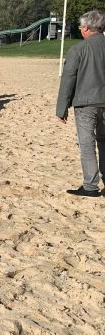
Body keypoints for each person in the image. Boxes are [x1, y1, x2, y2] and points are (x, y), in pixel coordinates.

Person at [55, 10, 105, 198]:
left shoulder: (79, 49)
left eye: (80, 27)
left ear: (86, 28)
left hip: (86, 103)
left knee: (87, 144)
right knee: (104, 141)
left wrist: (62, 108)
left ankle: (91, 186)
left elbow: (68, 79)